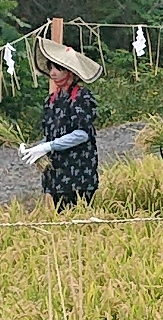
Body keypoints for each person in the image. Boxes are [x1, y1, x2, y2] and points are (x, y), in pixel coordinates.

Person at [19, 37, 102, 212]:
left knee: (79, 219)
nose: (53, 73)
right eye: (51, 68)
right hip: (57, 174)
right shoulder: (52, 100)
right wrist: (35, 148)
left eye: (58, 68)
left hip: (79, 172)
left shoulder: (82, 97)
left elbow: (82, 134)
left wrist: (49, 146)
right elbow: (52, 135)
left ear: (70, 72)